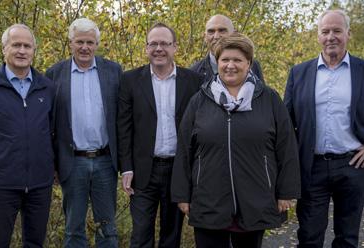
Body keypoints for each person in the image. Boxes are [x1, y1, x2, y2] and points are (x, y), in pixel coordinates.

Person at [283, 9, 364, 248]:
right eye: (325, 31)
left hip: (353, 165)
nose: (331, 36)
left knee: (347, 239)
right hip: (311, 167)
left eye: (337, 31)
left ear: (348, 34)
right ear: (318, 36)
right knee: (308, 237)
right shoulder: (298, 73)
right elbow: (285, 123)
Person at [171, 33, 301, 248]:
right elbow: (185, 149)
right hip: (208, 199)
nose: (230, 65)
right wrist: (182, 195)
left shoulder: (269, 99)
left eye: (237, 60)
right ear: (217, 63)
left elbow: (286, 147)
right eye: (225, 60)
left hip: (255, 197)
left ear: (248, 64)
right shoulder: (200, 100)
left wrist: (286, 192)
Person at [0, 24, 55, 248]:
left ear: (34, 51)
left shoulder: (47, 88)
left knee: (35, 243)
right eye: (16, 45)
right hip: (0, 183)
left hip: (39, 183)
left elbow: (53, 131)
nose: (22, 51)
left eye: (27, 46)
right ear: (4, 49)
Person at [117, 22, 203, 248]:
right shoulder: (129, 80)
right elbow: (124, 128)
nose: (158, 48)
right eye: (153, 43)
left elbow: (200, 128)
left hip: (179, 170)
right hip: (143, 171)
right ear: (146, 48)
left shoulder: (193, 81)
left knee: (171, 235)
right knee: (141, 235)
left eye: (164, 43)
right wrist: (126, 167)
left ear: (175, 47)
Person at [45, 18, 122, 248]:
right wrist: (54, 164)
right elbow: (49, 124)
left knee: (107, 228)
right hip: (72, 162)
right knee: (73, 229)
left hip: (106, 161)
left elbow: (123, 118)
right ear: (70, 43)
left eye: (90, 42)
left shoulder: (113, 71)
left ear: (97, 43)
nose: (85, 47)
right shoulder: (55, 74)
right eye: (80, 42)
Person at [190, 14, 264, 83]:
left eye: (222, 30)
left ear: (234, 34)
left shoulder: (253, 66)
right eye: (211, 31)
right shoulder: (194, 72)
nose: (216, 36)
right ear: (205, 37)